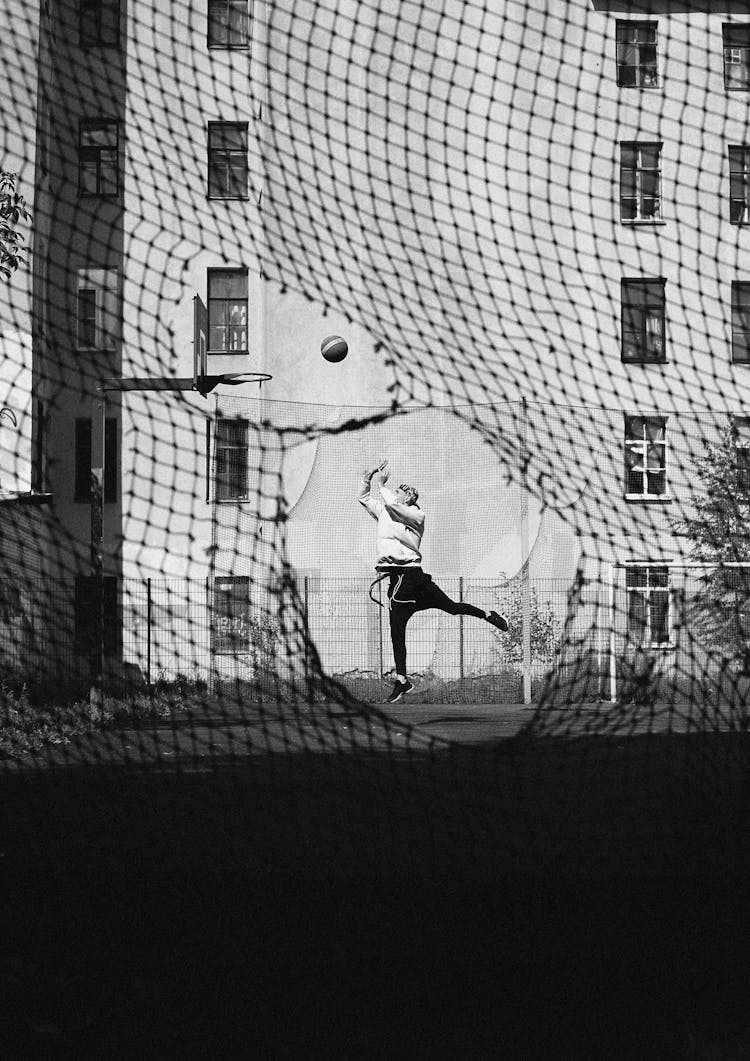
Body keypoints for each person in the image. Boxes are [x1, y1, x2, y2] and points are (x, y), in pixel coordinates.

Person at [358, 460, 509, 703]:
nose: (395, 493)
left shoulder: (416, 514)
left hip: (412, 578)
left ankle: (488, 614)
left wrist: (383, 486)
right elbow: (365, 499)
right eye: (394, 491)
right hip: (398, 579)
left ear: (408, 497)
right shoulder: (386, 511)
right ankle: (402, 680)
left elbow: (395, 509)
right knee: (397, 630)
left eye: (399, 492)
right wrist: (367, 480)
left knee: (452, 608)